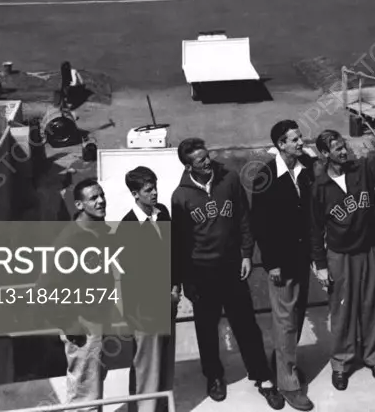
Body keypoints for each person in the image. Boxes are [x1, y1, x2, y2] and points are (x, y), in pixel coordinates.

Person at [170, 138, 284, 408]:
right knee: (206, 330)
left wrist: (246, 254)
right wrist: (186, 282)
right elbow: (180, 243)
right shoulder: (181, 196)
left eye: (207, 156)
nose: (207, 162)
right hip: (201, 273)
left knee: (246, 325)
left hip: (232, 268)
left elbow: (244, 218)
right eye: (200, 160)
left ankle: (263, 377)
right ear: (189, 165)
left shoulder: (229, 179)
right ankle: (214, 376)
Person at [310, 128, 375, 391]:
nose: (344, 151)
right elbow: (314, 230)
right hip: (339, 255)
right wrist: (320, 266)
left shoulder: (363, 170)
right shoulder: (319, 188)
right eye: (337, 148)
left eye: (343, 145)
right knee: (342, 309)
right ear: (324, 154)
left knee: (371, 305)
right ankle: (341, 364)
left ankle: (373, 357)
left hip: (368, 250)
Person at [250, 121, 318, 411]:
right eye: (295, 140)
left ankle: (283, 365)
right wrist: (272, 263)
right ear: (280, 144)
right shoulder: (265, 176)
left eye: (300, 138)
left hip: (302, 258)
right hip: (281, 263)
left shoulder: (305, 169)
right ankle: (289, 385)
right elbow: (260, 225)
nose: (301, 142)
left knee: (297, 316)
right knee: (285, 322)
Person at [43, 179, 118, 412]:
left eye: (102, 195)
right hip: (82, 324)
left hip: (99, 317)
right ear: (79, 204)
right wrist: (69, 323)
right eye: (93, 198)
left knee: (93, 383)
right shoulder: (70, 240)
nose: (101, 201)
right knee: (84, 394)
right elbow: (46, 287)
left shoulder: (99, 231)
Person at [115, 167, 178, 412]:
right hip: (144, 311)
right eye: (148, 190)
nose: (154, 193)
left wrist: (174, 288)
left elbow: (172, 254)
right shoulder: (127, 228)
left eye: (155, 188)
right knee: (146, 366)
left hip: (167, 303)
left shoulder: (162, 214)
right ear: (135, 193)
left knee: (164, 364)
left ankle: (162, 407)